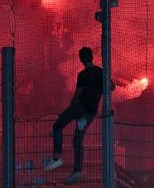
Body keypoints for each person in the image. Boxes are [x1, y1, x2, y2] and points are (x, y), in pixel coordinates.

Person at [43, 47, 113, 184]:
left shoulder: (82, 75)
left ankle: (56, 159)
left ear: (81, 59)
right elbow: (112, 87)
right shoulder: (101, 72)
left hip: (80, 107)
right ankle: (77, 171)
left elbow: (77, 96)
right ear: (92, 57)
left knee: (57, 125)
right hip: (91, 111)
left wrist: (69, 110)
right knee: (77, 141)